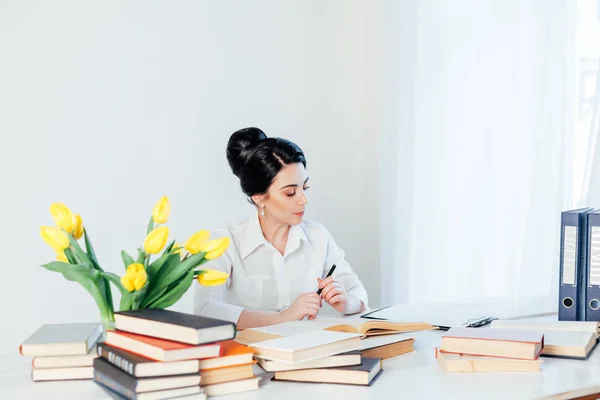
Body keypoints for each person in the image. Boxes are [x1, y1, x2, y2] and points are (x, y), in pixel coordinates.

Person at [193, 127, 368, 330]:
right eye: (290, 193)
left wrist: (346, 302)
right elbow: (206, 309)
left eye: (305, 187)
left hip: (304, 353)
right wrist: (285, 317)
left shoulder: (318, 236)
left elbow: (357, 291)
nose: (304, 200)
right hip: (247, 356)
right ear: (259, 197)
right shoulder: (226, 239)